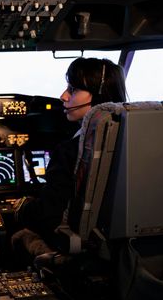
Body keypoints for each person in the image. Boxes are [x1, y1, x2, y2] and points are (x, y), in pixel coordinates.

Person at [13, 57, 127, 254]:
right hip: (118, 245)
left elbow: (48, 215)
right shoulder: (127, 140)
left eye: (73, 90)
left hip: (74, 244)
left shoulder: (71, 151)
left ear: (98, 97)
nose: (63, 96)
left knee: (17, 236)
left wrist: (22, 208)